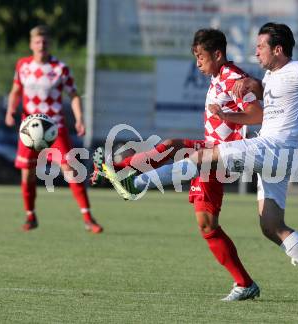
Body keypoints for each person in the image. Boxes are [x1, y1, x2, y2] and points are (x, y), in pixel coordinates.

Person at [103, 22, 298, 306]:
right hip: (278, 157)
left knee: (201, 158)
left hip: (274, 148)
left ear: (278, 49)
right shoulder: (268, 78)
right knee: (271, 225)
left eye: (260, 46)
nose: (256, 52)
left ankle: (134, 183)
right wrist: (251, 85)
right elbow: (260, 96)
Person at [93, 29, 263, 300]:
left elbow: (256, 115)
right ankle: (244, 283)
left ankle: (128, 177)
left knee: (176, 151)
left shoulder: (234, 79)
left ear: (217, 55)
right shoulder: (219, 76)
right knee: (206, 224)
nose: (197, 62)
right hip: (211, 154)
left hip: (224, 157)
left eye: (200, 56)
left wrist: (228, 114)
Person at [5, 25, 103, 233]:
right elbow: (15, 91)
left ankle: (88, 218)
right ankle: (30, 216)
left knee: (70, 171)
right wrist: (10, 110)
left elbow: (74, 95)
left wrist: (79, 119)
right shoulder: (22, 66)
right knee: (27, 175)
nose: (41, 45)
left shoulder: (60, 68)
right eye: (38, 42)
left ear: (50, 44)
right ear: (31, 44)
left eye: (45, 42)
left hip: (53, 128)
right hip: (30, 130)